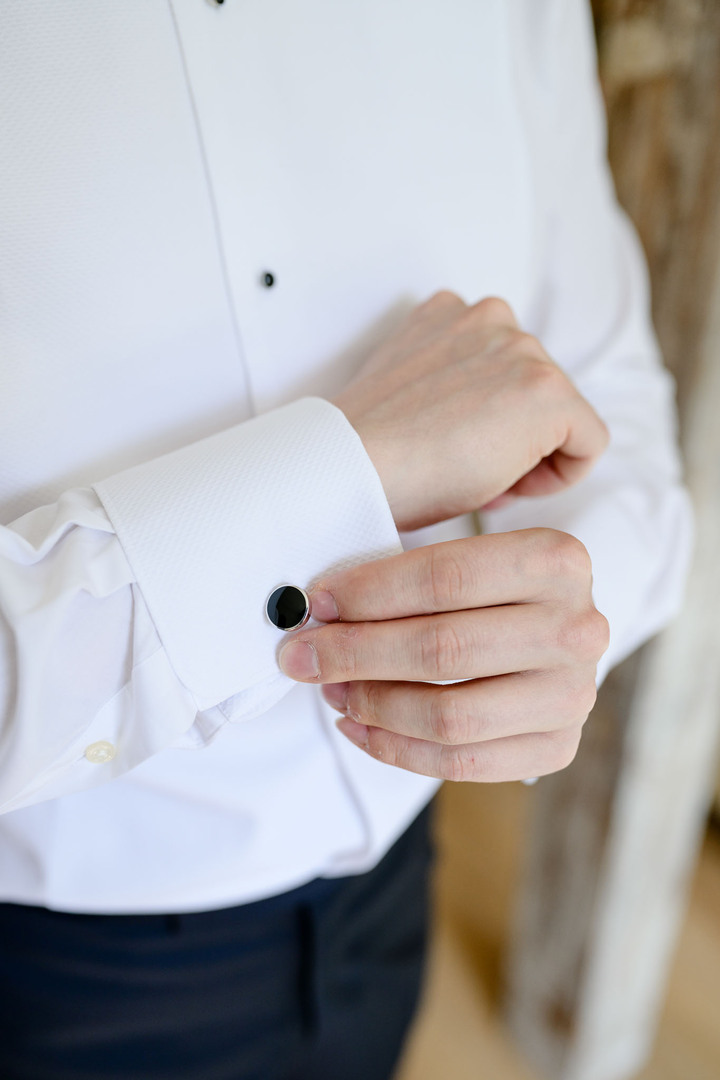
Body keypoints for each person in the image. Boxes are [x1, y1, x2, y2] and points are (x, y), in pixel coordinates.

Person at [0, 1, 691, 1078]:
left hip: (393, 897)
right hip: (53, 974)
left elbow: (612, 402)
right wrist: (341, 472)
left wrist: (567, 604)